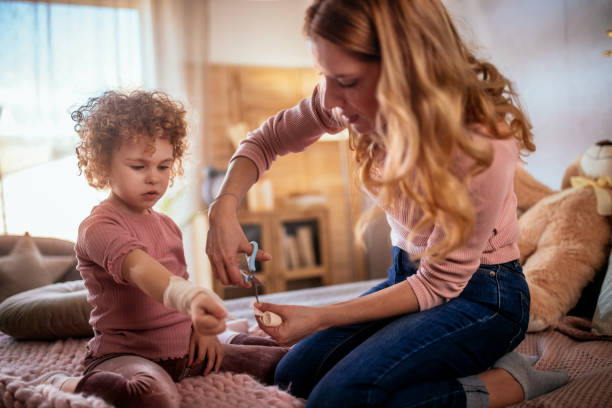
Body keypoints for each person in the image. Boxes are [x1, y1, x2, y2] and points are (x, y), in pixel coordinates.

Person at [206, 1, 568, 407]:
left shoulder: (479, 139)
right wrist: (223, 208)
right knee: (293, 374)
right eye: (324, 76)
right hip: (408, 279)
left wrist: (320, 316)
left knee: (341, 398)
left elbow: (442, 282)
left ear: (405, 69)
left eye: (345, 79)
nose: (329, 96)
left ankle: (507, 382)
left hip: (485, 296)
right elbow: (265, 140)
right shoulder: (347, 100)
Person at [34, 90, 287, 408]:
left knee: (287, 361)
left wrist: (201, 329)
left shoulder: (167, 225)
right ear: (103, 165)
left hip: (187, 351)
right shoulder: (98, 228)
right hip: (126, 356)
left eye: (163, 167)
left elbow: (178, 279)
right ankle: (67, 384)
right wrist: (192, 298)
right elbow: (143, 271)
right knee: (152, 397)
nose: (153, 179)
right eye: (138, 167)